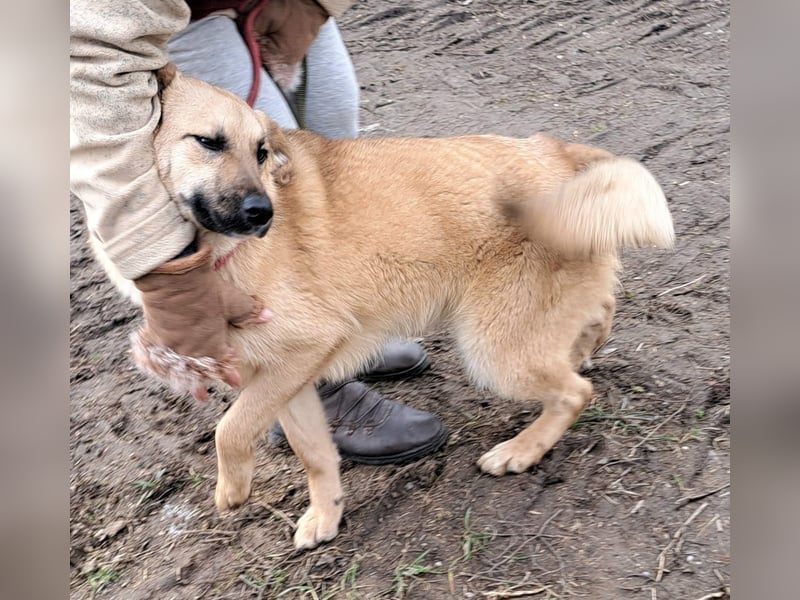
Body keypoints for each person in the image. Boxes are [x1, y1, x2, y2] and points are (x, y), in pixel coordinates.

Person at [70, 0, 448, 465]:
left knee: (331, 135)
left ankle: (334, 330)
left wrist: (312, 6)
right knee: (264, 203)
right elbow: (89, 62)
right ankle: (309, 391)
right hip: (131, 24)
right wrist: (169, 280)